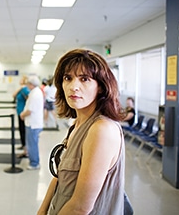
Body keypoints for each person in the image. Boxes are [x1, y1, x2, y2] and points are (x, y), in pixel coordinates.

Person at [37, 49, 126, 214]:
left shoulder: (101, 130)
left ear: (100, 86)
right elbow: (60, 176)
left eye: (84, 79)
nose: (73, 87)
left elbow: (80, 207)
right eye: (67, 78)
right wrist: (42, 211)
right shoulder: (77, 124)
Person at [20, 75, 44, 170]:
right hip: (33, 122)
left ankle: (34, 163)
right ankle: (34, 161)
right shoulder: (35, 92)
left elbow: (30, 110)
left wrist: (22, 115)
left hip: (33, 124)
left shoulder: (35, 94)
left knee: (32, 144)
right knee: (32, 143)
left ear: (31, 84)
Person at [12, 75, 30, 156]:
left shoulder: (25, 89)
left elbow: (29, 98)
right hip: (19, 112)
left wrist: (21, 88)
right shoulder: (21, 89)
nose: (20, 80)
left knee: (23, 131)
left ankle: (26, 150)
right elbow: (14, 95)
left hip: (23, 113)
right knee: (21, 130)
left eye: (21, 79)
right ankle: (24, 146)